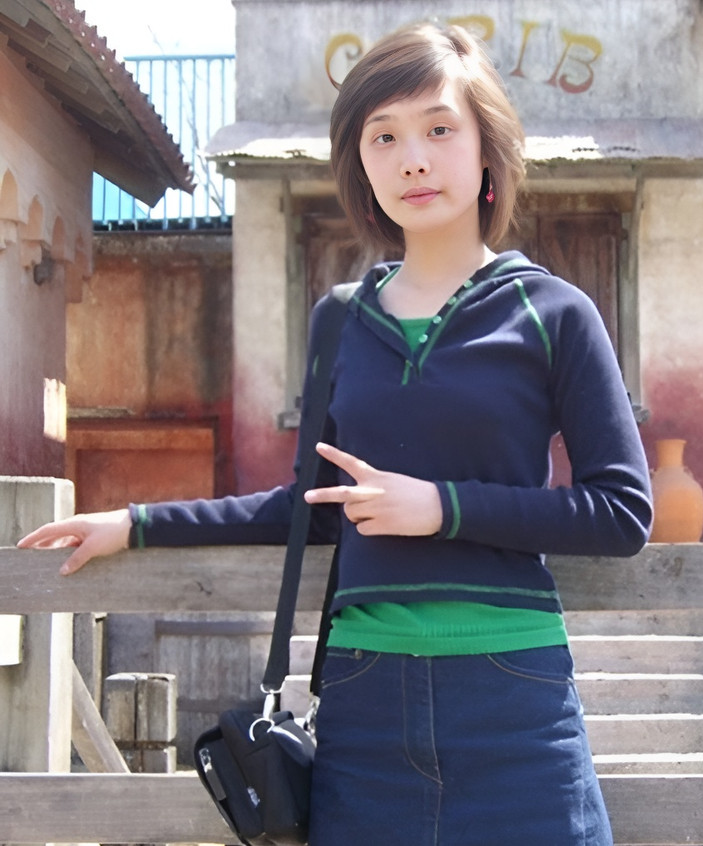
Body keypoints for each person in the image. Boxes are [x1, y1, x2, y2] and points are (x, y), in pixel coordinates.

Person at [19, 21, 653, 846]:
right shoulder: (340, 320)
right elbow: (310, 509)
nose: (412, 159)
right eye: (383, 137)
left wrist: (442, 508)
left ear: (487, 150)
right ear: (360, 163)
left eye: (438, 129)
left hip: (515, 700)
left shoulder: (554, 311)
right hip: (363, 706)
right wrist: (135, 523)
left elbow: (622, 511)